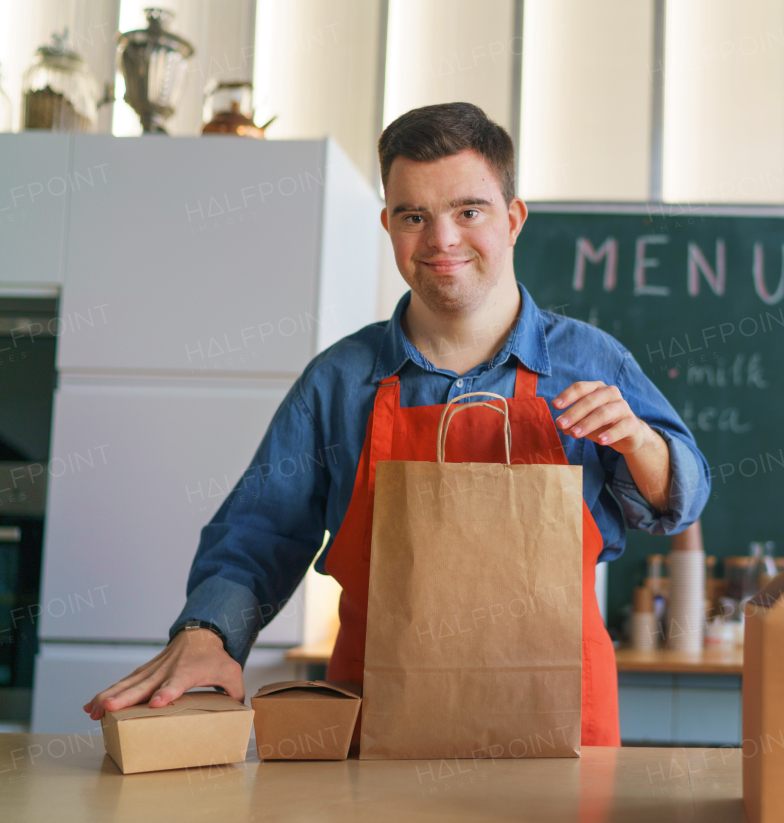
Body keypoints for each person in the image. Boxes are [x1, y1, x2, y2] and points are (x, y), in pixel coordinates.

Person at [84, 102, 710, 746]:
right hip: (376, 714)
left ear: (514, 219)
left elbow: (679, 502)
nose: (442, 239)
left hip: (558, 719)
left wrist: (640, 441)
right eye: (415, 216)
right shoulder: (339, 381)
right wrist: (206, 634)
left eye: (470, 211)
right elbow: (258, 533)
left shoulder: (592, 360)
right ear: (388, 225)